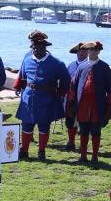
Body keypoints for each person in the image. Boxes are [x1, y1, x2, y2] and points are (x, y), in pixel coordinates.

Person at [13, 30, 71, 160]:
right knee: (26, 125)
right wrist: (17, 86)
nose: (36, 50)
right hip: (28, 98)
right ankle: (24, 151)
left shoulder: (57, 63)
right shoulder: (27, 60)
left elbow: (66, 81)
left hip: (47, 98)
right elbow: (22, 75)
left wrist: (59, 94)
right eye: (34, 47)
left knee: (44, 126)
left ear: (45, 47)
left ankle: (41, 151)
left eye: (39, 47)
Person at [68, 41, 111, 164]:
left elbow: (110, 89)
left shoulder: (104, 67)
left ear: (99, 51)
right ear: (87, 51)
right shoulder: (81, 66)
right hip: (82, 105)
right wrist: (71, 102)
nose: (92, 52)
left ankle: (94, 156)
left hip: (97, 106)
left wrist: (110, 106)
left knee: (95, 131)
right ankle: (83, 156)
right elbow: (73, 85)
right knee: (83, 131)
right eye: (90, 50)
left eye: (95, 50)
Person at [63, 43, 89, 150]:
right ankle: (71, 142)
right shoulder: (71, 65)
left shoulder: (90, 65)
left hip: (85, 99)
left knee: (84, 122)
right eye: (79, 51)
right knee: (70, 121)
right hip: (71, 99)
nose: (81, 53)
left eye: (83, 51)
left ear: (87, 52)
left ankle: (83, 146)